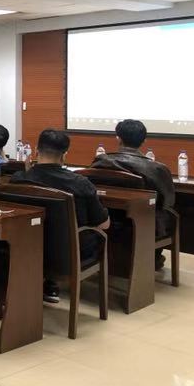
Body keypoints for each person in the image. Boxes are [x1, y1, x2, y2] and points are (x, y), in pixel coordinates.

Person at [11, 129, 109, 303]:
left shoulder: (18, 179)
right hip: (67, 253)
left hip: (28, 247)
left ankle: (48, 283)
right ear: (64, 155)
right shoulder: (80, 183)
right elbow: (103, 224)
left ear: (36, 150)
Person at [91, 119, 175, 269]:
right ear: (144, 141)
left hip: (107, 220)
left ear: (118, 138)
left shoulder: (100, 161)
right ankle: (153, 257)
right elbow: (168, 201)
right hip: (143, 224)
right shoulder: (157, 169)